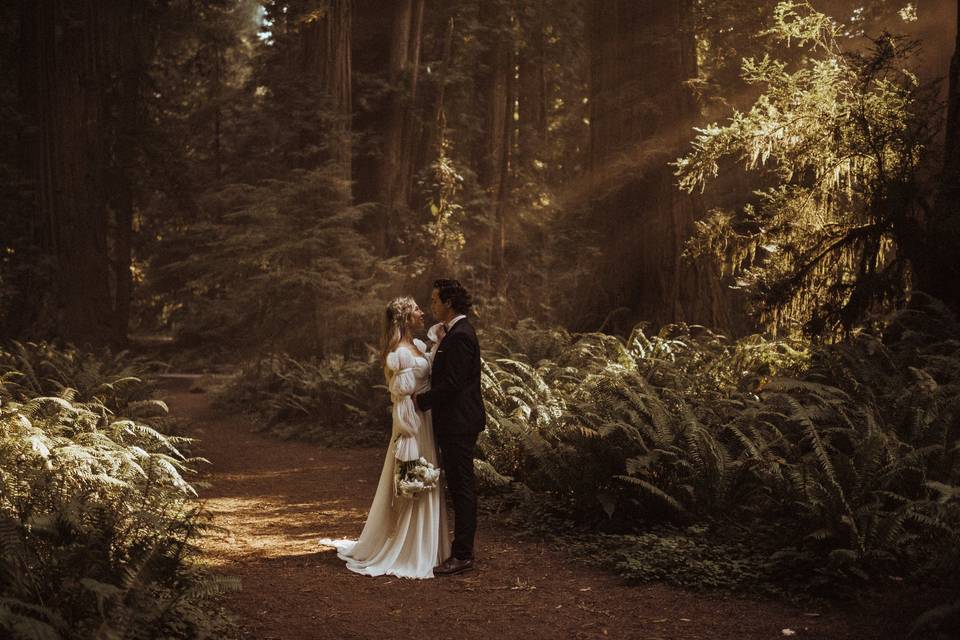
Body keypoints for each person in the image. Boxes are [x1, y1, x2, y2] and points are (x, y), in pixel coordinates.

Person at [318, 296, 450, 579]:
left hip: (426, 420)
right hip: (412, 425)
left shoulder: (417, 346)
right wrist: (407, 435)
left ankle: (430, 544)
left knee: (428, 476)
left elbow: (430, 373)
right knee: (413, 476)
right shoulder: (398, 353)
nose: (421, 312)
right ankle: (410, 546)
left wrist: (438, 342)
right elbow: (400, 399)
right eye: (416, 309)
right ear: (404, 318)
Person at [414, 279, 486, 576]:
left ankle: (463, 555)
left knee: (461, 487)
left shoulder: (461, 335)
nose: (431, 305)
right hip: (453, 422)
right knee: (458, 486)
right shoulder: (451, 333)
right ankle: (459, 551)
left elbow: (453, 383)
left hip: (459, 423)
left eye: (434, 300)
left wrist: (421, 401)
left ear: (449, 302)